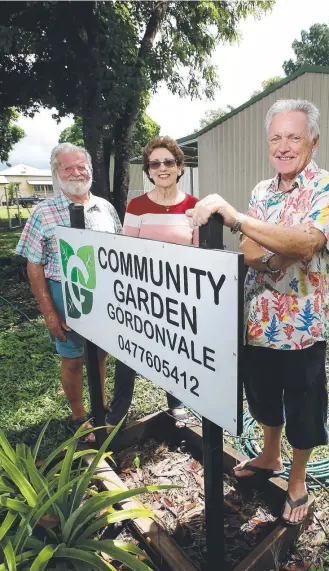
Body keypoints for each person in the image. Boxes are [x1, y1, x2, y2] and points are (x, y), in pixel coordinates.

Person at [186, 100, 329, 525]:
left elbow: (307, 243)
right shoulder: (261, 191)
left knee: (303, 406)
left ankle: (297, 480)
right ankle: (269, 456)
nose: (284, 146)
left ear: (313, 140)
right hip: (256, 320)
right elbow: (250, 251)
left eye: (293, 136)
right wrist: (277, 253)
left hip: (301, 325)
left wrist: (245, 225)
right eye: (276, 137)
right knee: (262, 399)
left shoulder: (328, 187)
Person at [16, 142, 123, 442]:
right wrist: (49, 312)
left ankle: (100, 405)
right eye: (68, 167)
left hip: (103, 294)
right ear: (56, 172)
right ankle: (78, 416)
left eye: (81, 166)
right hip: (65, 294)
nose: (76, 172)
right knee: (73, 358)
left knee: (100, 353)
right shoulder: (43, 212)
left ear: (89, 169)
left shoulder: (105, 208)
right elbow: (34, 264)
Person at [107, 136, 199, 429]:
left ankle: (177, 404)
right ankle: (117, 414)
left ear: (180, 167)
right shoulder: (136, 206)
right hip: (141, 296)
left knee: (176, 349)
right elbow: (126, 254)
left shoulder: (194, 206)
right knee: (129, 355)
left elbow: (198, 256)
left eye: (168, 162)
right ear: (148, 171)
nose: (162, 168)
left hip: (179, 296)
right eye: (155, 163)